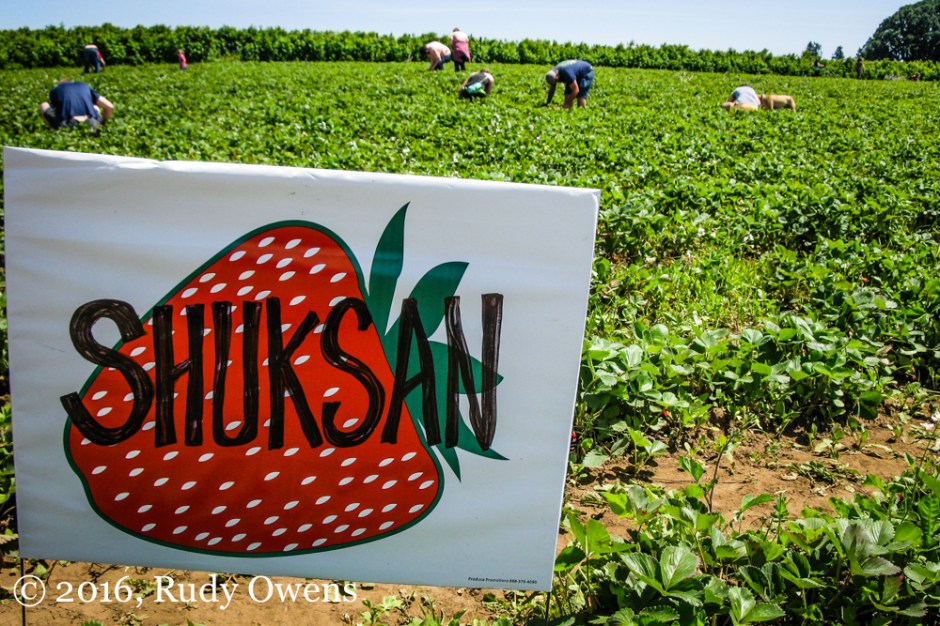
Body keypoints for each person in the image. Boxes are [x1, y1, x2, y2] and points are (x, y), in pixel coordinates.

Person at [40, 79, 113, 131]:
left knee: (44, 104)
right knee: (95, 106)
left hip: (68, 125)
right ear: (72, 82)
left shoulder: (56, 90)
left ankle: (52, 129)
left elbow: (55, 110)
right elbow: (109, 106)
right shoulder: (84, 86)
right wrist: (102, 123)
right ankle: (97, 126)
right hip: (92, 123)